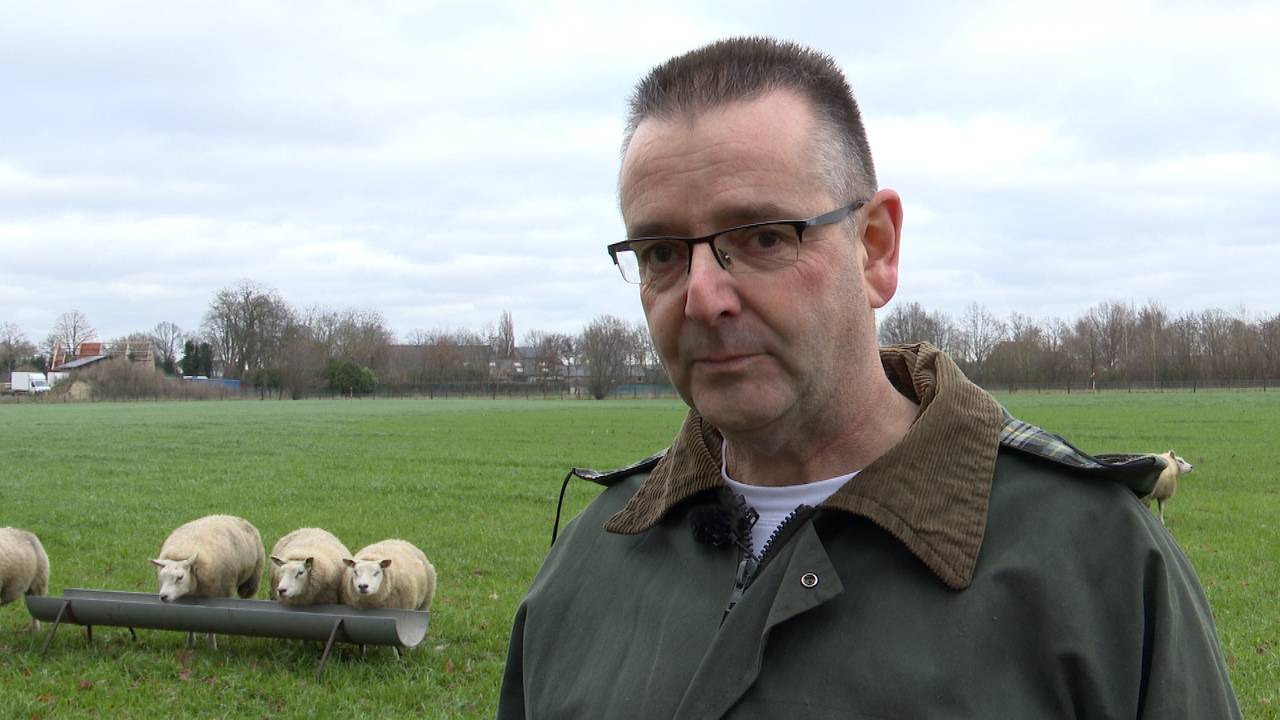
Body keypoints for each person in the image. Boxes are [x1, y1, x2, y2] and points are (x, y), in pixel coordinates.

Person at [498, 37, 1241, 719]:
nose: (701, 296)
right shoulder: (588, 563)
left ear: (876, 249)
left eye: (761, 238)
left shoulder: (1097, 567)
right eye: (662, 252)